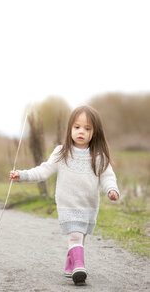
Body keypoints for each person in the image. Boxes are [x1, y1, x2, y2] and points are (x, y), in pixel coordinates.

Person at [9, 105, 120, 285]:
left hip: (88, 205)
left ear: (95, 132)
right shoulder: (61, 153)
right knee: (75, 235)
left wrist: (111, 190)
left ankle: (71, 265)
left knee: (80, 237)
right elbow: (42, 171)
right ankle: (79, 267)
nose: (81, 132)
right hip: (67, 203)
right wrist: (22, 175)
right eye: (77, 127)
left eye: (87, 128)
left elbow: (108, 177)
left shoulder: (99, 157)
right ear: (70, 129)